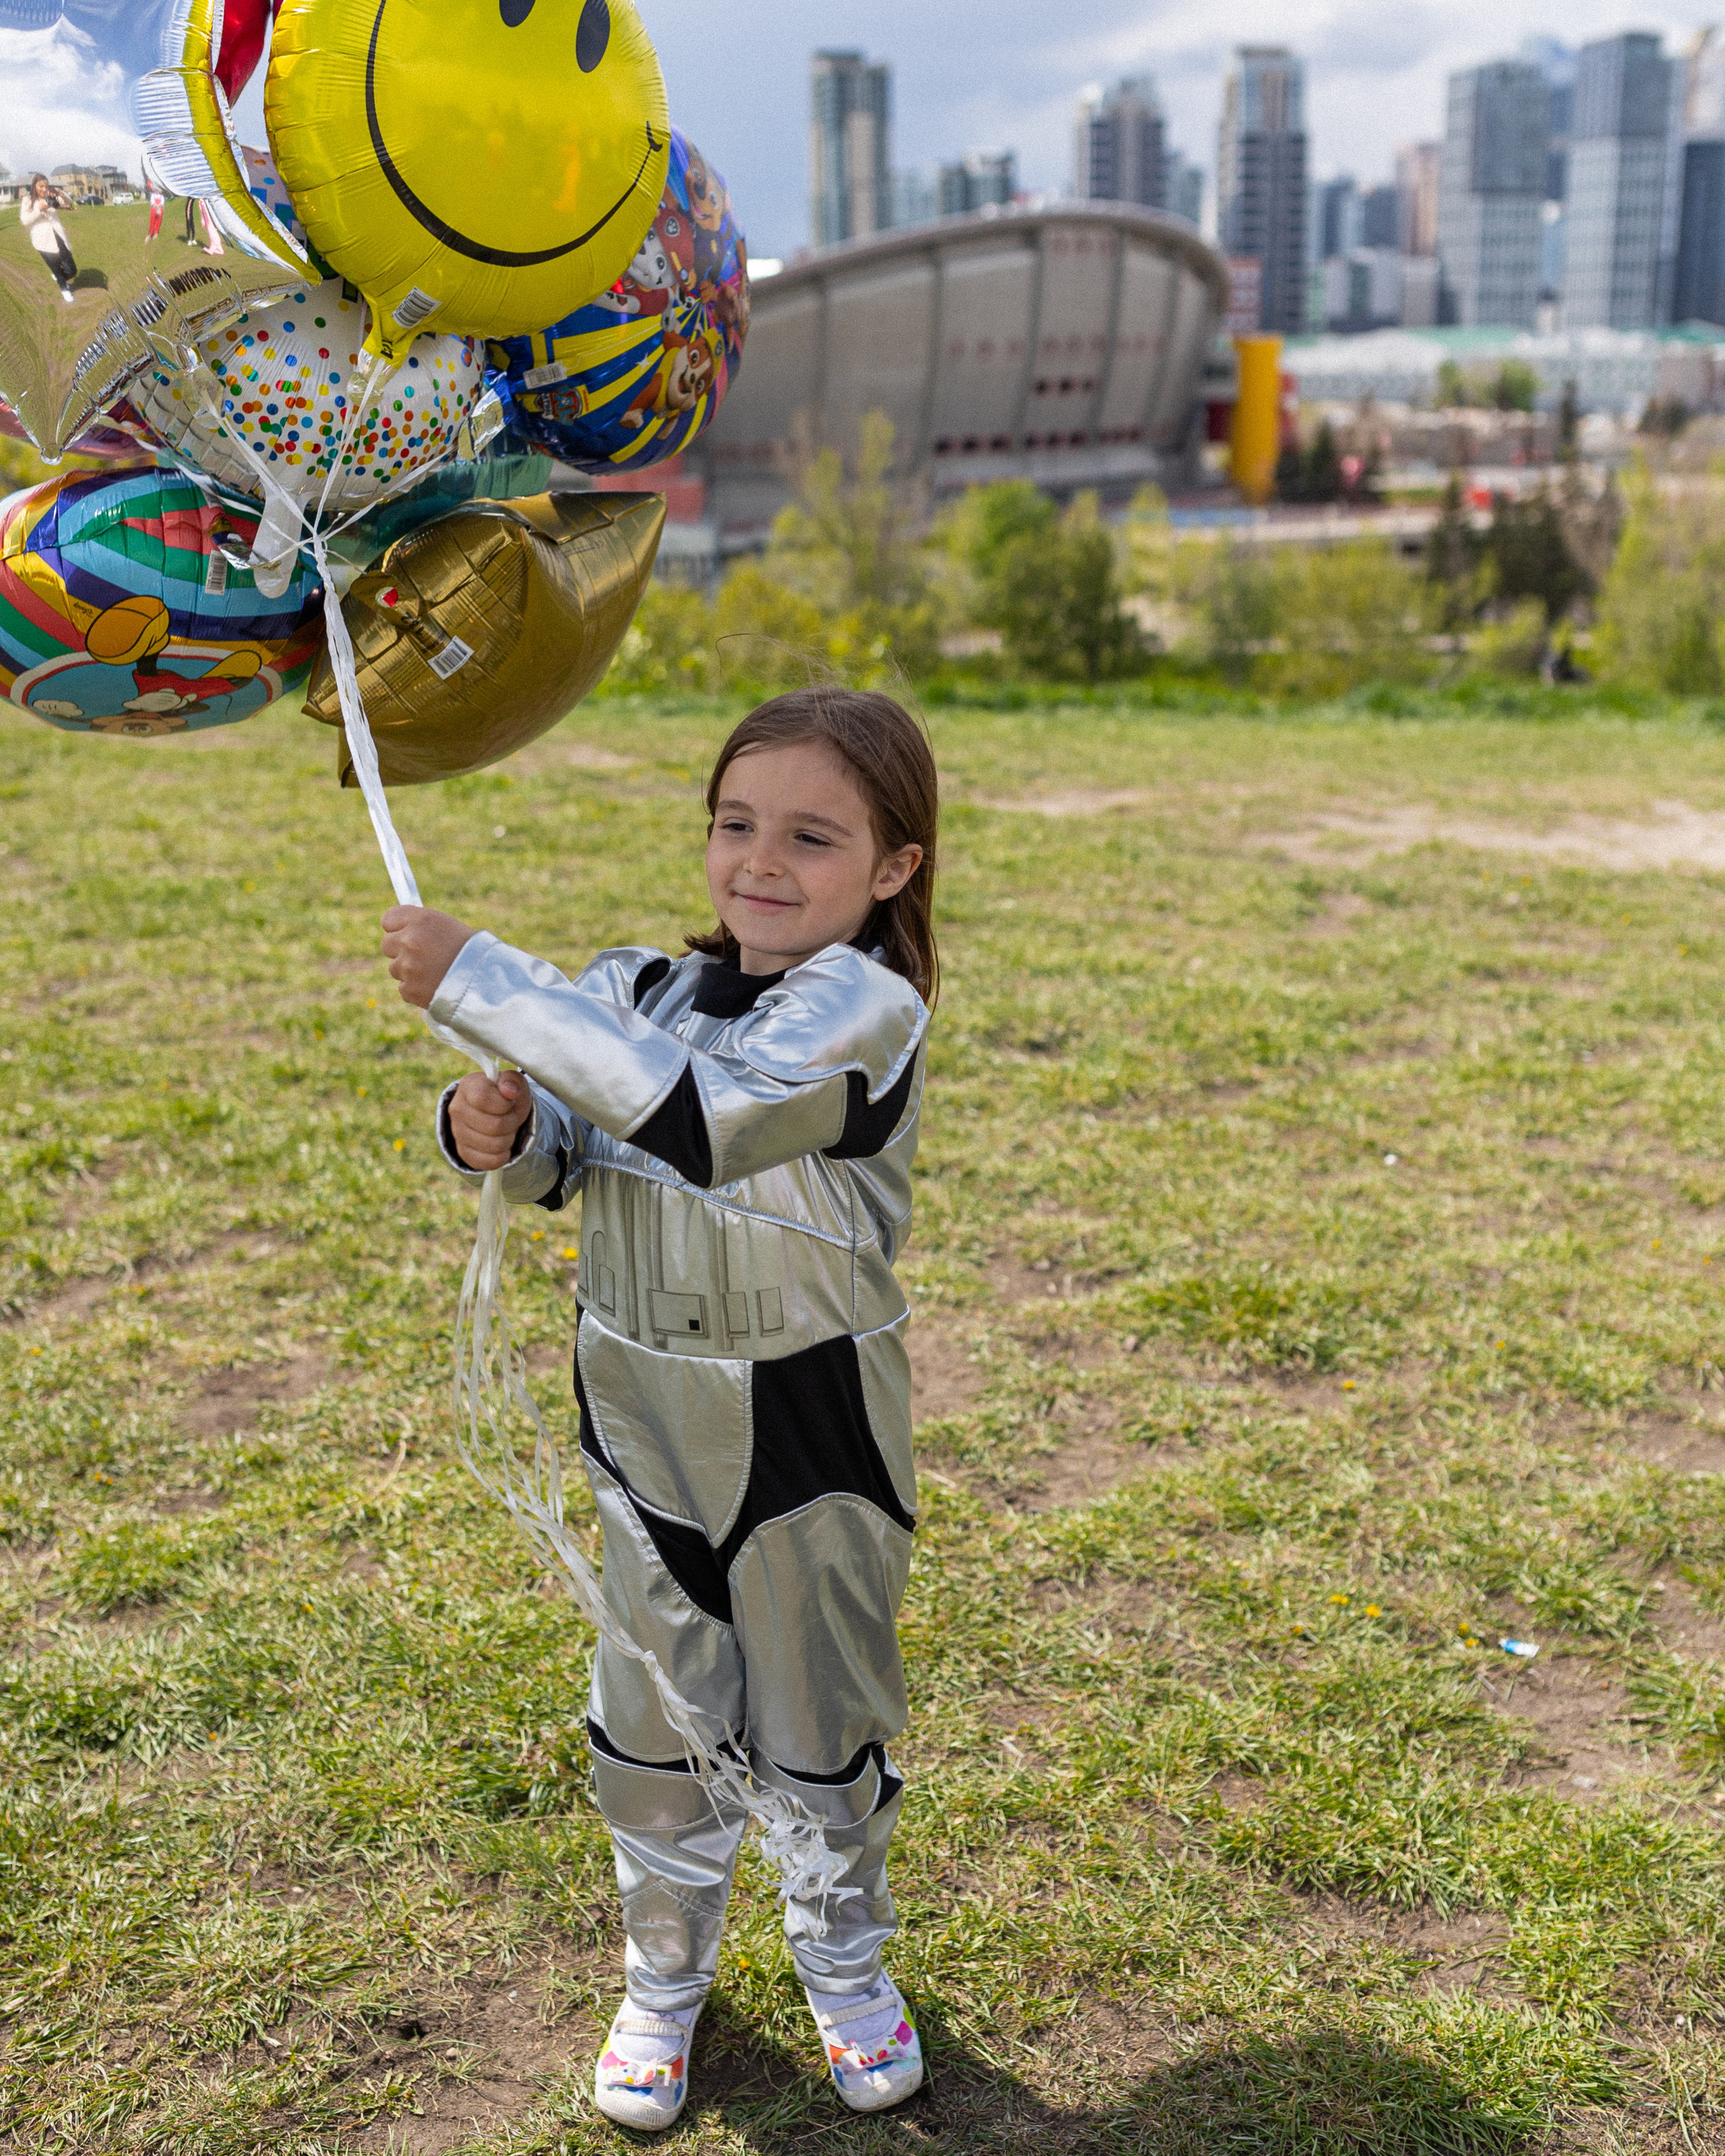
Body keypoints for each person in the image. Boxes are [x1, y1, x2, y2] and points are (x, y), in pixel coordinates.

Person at [381, 688, 938, 2130]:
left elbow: (702, 1119)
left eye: (811, 836)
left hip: (810, 1420)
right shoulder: (631, 989)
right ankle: (662, 1977)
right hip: (638, 1409)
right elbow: (574, 1147)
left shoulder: (868, 1009)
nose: (760, 859)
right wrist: (490, 1128)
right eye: (734, 823)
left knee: (817, 1714)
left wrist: (479, 975)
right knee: (651, 1711)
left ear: (890, 867)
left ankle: (845, 1964)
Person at [20, 177, 76, 303]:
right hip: (42, 241)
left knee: (72, 270)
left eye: (46, 186)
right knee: (55, 267)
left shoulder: (51, 196)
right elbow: (25, 221)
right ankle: (64, 289)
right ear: (34, 186)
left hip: (58, 236)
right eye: (41, 186)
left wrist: (60, 193)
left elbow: (69, 203)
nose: (44, 189)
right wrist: (39, 209)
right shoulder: (27, 201)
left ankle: (59, 277)